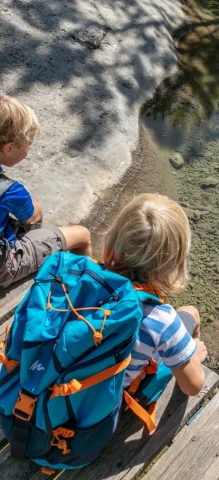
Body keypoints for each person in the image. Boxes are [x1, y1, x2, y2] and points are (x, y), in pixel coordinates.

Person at [103, 193, 208, 396]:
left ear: (110, 245)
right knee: (190, 312)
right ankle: (188, 352)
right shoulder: (162, 320)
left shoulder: (82, 276)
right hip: (104, 402)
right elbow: (193, 387)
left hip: (57, 383)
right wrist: (193, 355)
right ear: (171, 269)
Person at [0, 95, 92, 288]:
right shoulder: (10, 190)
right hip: (3, 268)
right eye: (27, 146)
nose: (28, 151)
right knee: (82, 234)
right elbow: (31, 216)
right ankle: (85, 291)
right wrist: (23, 195)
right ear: (8, 148)